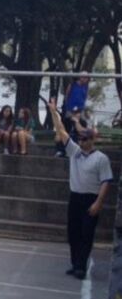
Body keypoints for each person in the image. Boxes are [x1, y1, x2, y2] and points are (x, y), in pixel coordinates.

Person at [48, 99, 112, 280]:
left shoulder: (101, 158)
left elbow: (106, 182)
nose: (81, 141)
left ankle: (81, 266)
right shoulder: (75, 153)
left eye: (84, 138)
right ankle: (75, 262)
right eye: (80, 138)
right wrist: (54, 112)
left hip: (90, 198)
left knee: (86, 233)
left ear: (92, 140)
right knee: (73, 232)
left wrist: (99, 202)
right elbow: (61, 131)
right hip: (75, 197)